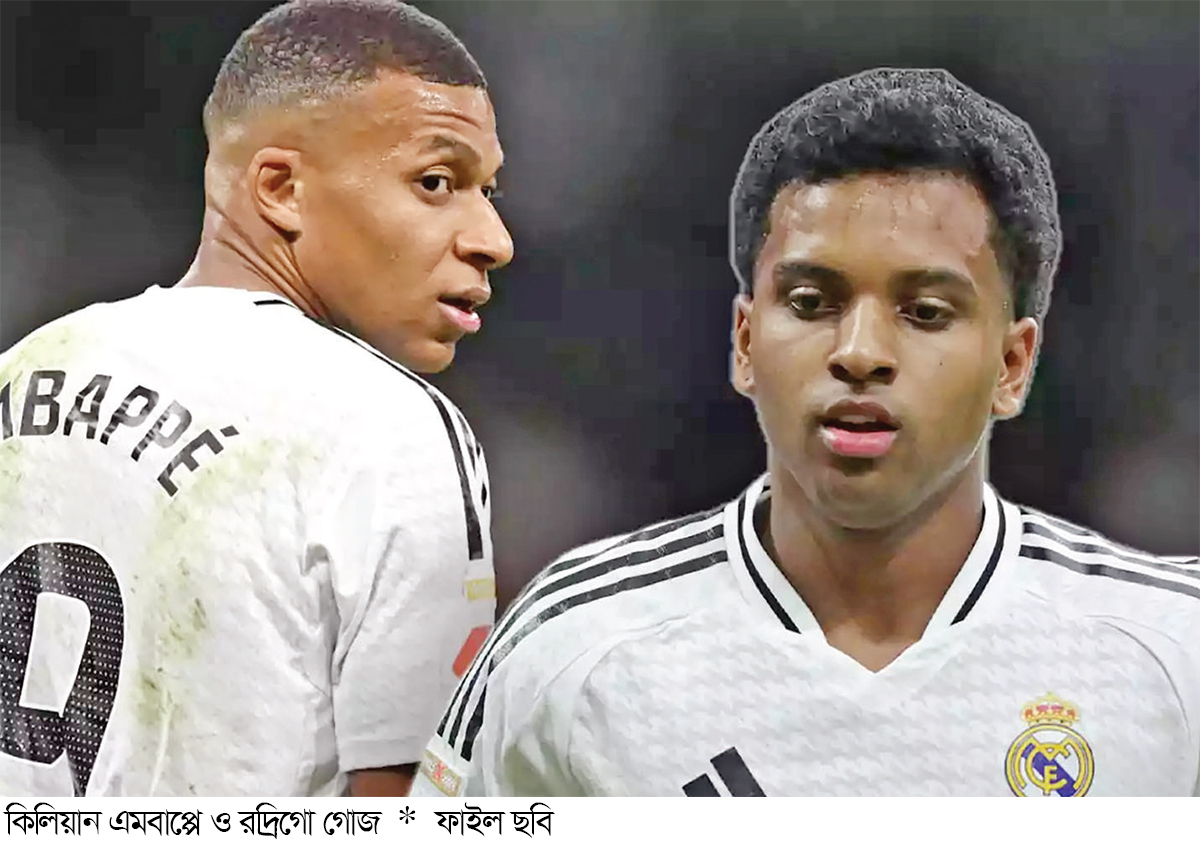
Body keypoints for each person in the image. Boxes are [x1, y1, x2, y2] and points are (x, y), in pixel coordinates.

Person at [413, 68, 1199, 797]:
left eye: (925, 311)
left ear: (1012, 364)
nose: (859, 353)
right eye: (812, 303)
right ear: (746, 343)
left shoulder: (1174, 649)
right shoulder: (572, 649)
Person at [0, 0, 511, 797]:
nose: (493, 239)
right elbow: (405, 807)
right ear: (280, 187)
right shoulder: (392, 427)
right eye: (436, 182)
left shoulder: (24, 366)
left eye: (489, 191)